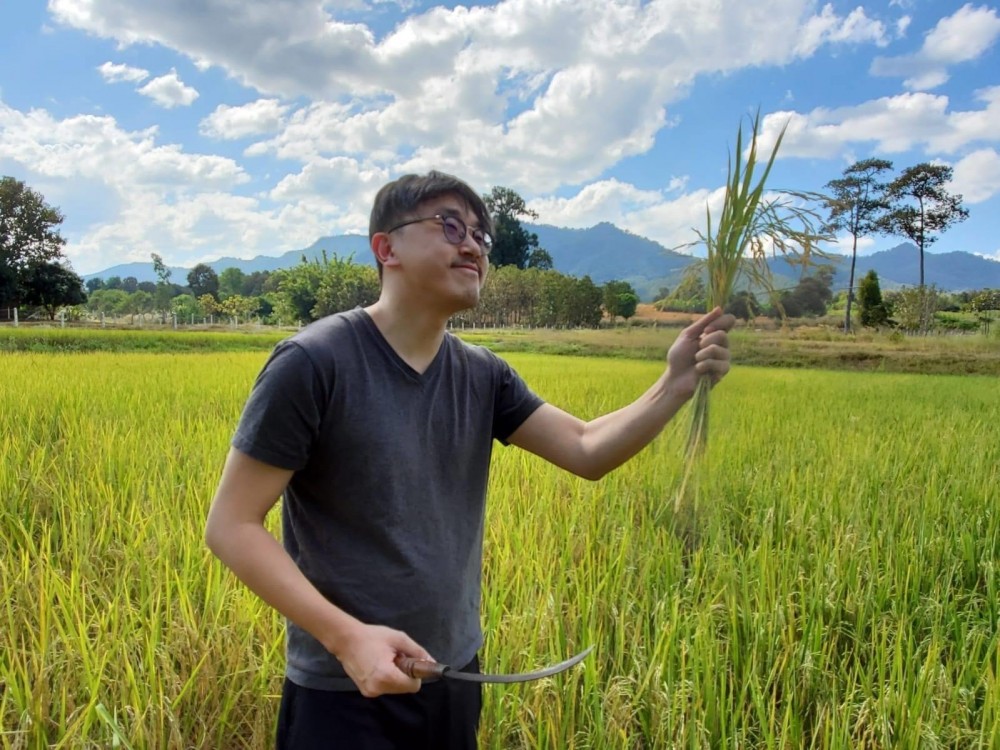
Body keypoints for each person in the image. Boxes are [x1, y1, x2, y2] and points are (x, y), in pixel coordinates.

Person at [205, 170, 735, 749]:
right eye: (450, 226)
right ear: (386, 248)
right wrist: (347, 638)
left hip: (452, 674)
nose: (474, 247)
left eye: (482, 236)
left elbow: (586, 448)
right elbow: (232, 525)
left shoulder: (483, 374)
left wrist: (673, 384)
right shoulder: (313, 363)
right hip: (345, 687)